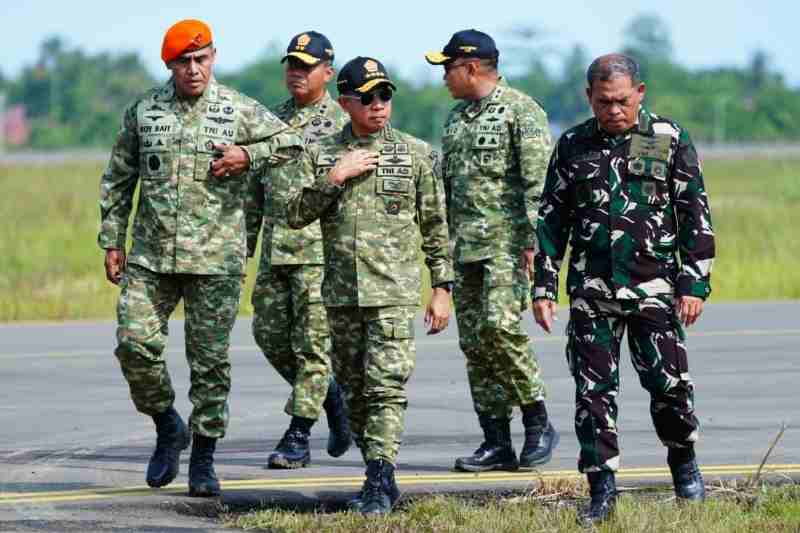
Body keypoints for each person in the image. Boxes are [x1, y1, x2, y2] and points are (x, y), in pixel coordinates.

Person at [98, 19, 301, 497]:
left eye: (202, 59)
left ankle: (205, 458)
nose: (194, 70)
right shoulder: (145, 111)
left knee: (209, 362)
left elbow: (293, 142)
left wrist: (247, 157)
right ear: (169, 64)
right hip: (150, 256)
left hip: (216, 259)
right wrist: (113, 239)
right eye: (184, 62)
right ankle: (168, 423)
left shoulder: (236, 109)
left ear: (213, 57)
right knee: (133, 345)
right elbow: (118, 177)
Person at [532, 53, 715, 525]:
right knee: (593, 396)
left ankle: (684, 466)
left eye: (621, 100)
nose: (613, 110)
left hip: (654, 288)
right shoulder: (572, 145)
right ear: (588, 97)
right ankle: (602, 489)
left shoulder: (665, 138)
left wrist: (694, 282)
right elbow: (552, 221)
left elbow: (694, 212)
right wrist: (544, 287)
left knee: (669, 387)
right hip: (593, 293)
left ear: (640, 93)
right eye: (603, 101)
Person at [285, 56, 453, 514]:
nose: (379, 106)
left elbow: (437, 227)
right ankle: (381, 473)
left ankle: (377, 480)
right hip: (341, 295)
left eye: (385, 96)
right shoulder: (321, 153)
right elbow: (295, 213)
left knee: (385, 388)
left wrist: (442, 287)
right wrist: (335, 177)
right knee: (357, 393)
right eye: (367, 98)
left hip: (392, 295)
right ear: (345, 102)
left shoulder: (415, 154)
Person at [425, 29, 559, 472]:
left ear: (471, 67)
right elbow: (448, 189)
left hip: (506, 246)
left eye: (447, 67)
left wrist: (537, 250)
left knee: (503, 330)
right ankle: (495, 439)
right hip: (466, 249)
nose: (443, 76)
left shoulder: (521, 112)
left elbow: (538, 188)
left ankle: (538, 419)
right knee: (477, 344)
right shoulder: (456, 119)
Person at [247, 31, 351, 470]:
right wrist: (243, 247)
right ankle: (332, 397)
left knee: (313, 346)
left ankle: (298, 434)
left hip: (320, 254)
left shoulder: (344, 124)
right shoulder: (270, 120)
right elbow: (253, 190)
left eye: (306, 66)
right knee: (267, 335)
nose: (296, 72)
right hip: (276, 250)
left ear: (327, 71)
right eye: (291, 64)